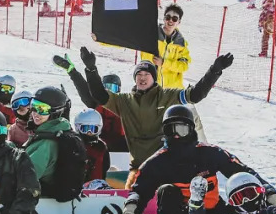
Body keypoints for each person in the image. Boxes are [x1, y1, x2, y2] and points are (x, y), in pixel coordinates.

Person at [57, 47, 232, 182]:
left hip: (164, 165)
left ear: (154, 78)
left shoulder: (167, 95)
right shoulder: (125, 101)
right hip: (136, 167)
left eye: (147, 74)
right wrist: (91, 69)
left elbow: (196, 95)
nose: (142, 77)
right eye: (139, 74)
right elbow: (98, 96)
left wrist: (214, 71)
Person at [123, 105, 276, 214]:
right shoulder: (158, 161)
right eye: (170, 130)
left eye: (181, 130)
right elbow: (140, 188)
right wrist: (132, 207)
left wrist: (269, 193)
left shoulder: (210, 153)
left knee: (242, 197)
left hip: (214, 212)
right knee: (166, 191)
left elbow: (243, 173)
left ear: (191, 130)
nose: (176, 136)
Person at [23, 86, 88, 202]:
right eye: (34, 106)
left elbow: (24, 178)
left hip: (41, 202)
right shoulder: (56, 130)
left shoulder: (46, 144)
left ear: (55, 112)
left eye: (42, 109)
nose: (35, 113)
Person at [140, 4, 192, 89]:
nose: (170, 21)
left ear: (179, 22)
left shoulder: (181, 44)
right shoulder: (151, 35)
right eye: (168, 17)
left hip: (171, 91)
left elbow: (184, 66)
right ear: (164, 19)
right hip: (150, 86)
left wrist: (164, 63)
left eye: (174, 19)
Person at [74, 108, 110, 184]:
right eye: (85, 128)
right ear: (77, 127)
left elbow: (105, 167)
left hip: (96, 186)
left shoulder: (101, 147)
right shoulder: (74, 144)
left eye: (93, 129)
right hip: (77, 186)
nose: (89, 132)